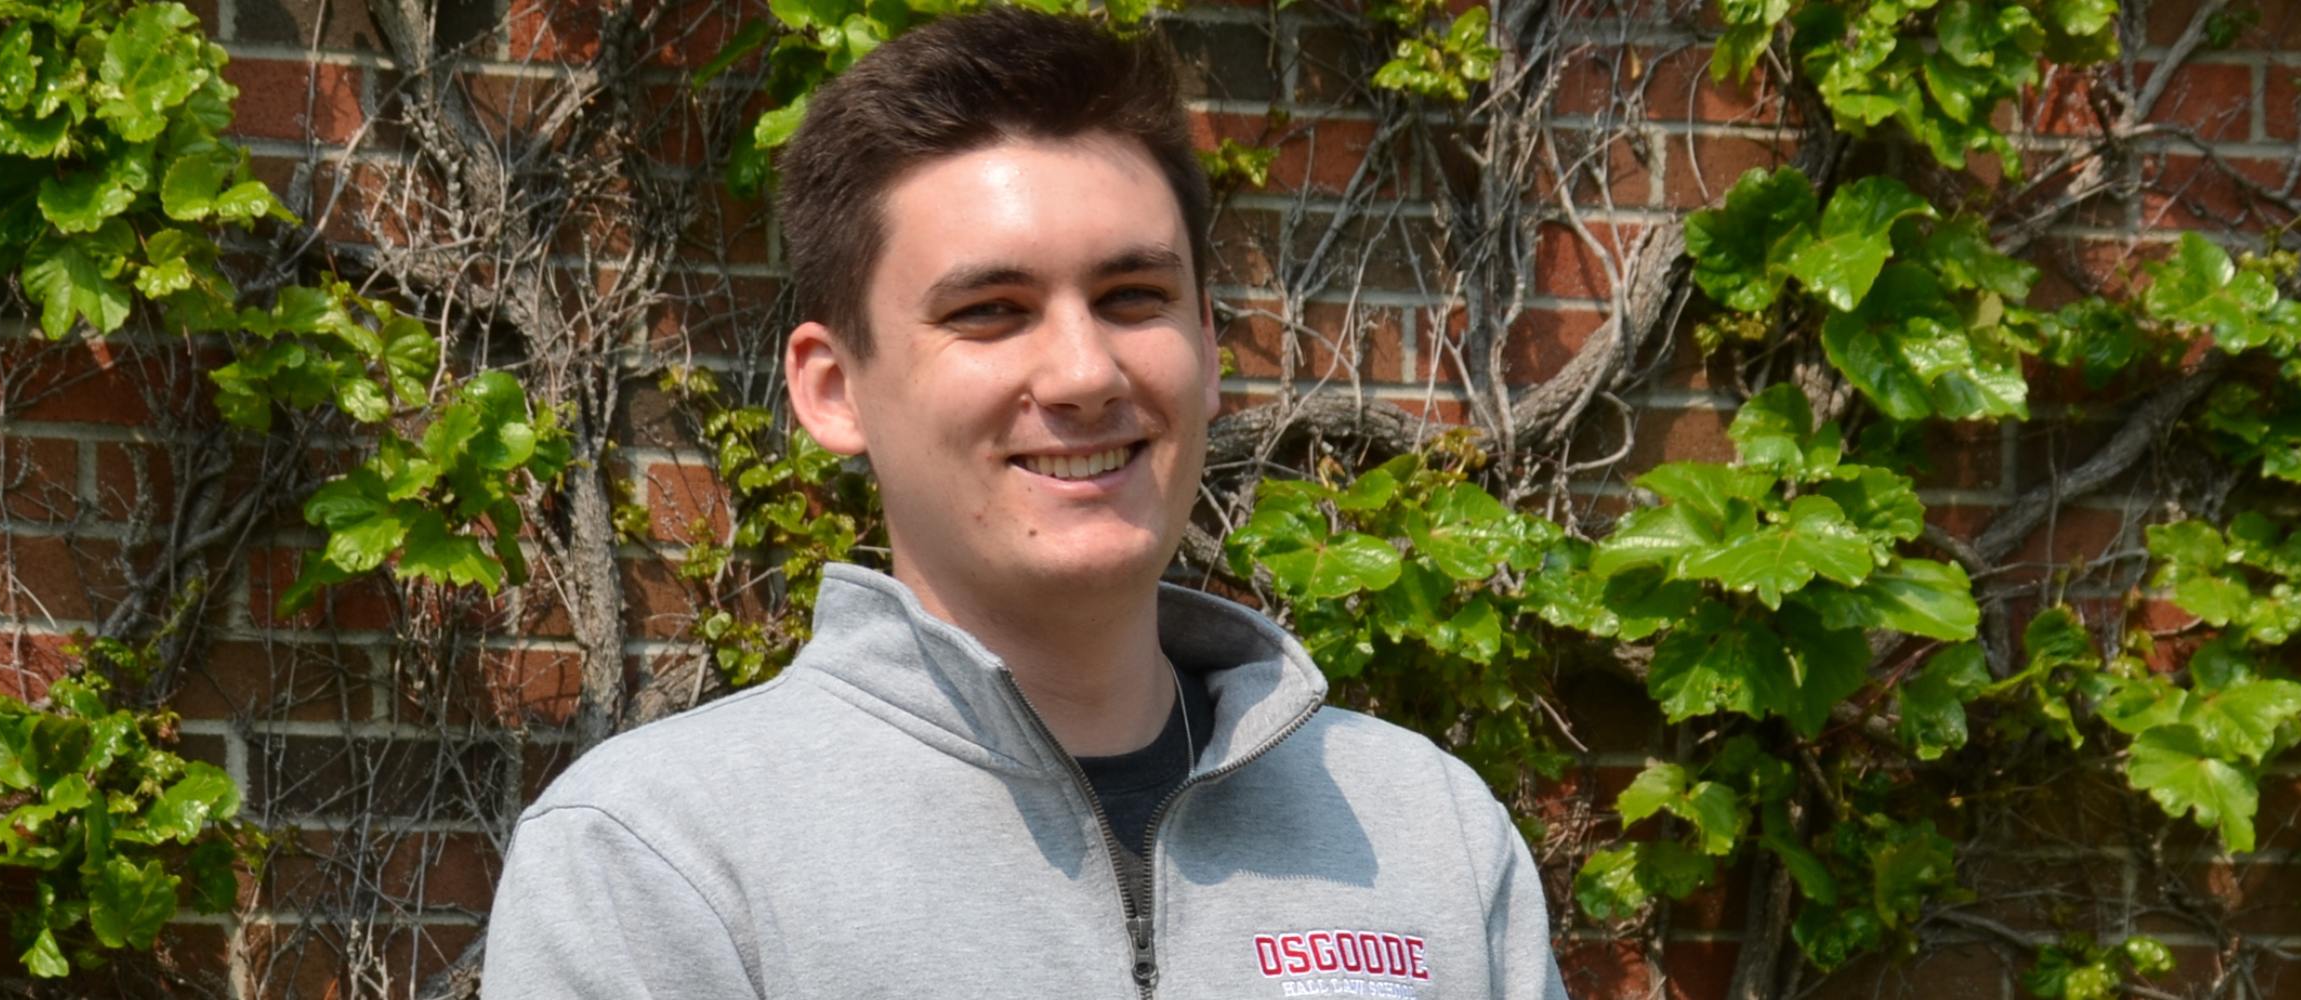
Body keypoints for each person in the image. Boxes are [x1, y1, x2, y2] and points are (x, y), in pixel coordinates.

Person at [477, 9, 1565, 999]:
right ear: (832, 388)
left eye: (1132, 297)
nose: (1086, 372)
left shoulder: (1427, 830)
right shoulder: (659, 856)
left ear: (1205, 348)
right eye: (991, 311)